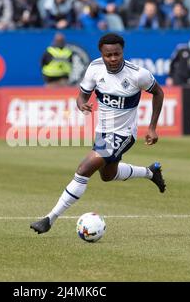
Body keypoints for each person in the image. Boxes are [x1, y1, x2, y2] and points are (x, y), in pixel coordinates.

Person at [31, 33, 166, 234]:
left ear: (123, 52)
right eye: (108, 55)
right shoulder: (94, 69)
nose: (113, 59)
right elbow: (82, 95)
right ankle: (150, 172)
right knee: (108, 175)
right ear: (101, 54)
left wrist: (152, 127)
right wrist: (81, 104)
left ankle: (50, 218)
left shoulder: (138, 74)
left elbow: (158, 92)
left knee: (84, 169)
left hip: (124, 133)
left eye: (117, 54)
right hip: (102, 132)